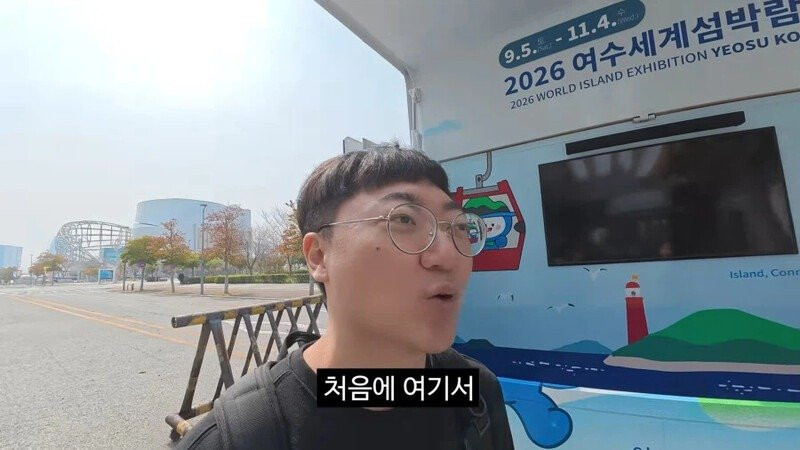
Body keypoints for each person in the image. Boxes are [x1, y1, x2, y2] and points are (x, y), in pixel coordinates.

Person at [178, 147, 513, 450]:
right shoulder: (242, 435)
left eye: (459, 228)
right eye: (404, 219)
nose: (450, 255)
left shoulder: (474, 395)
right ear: (319, 256)